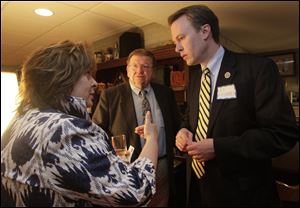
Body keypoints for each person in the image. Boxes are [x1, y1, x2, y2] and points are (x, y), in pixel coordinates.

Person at [1, 40, 159, 207]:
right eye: (87, 74)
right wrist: (152, 139)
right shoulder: (65, 130)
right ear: (63, 77)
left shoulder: (21, 118)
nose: (94, 83)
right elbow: (136, 191)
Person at [168, 5, 298, 207]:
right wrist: (184, 129)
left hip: (242, 195)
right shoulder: (194, 78)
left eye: (180, 38)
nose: (177, 48)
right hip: (197, 189)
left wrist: (219, 148)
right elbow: (192, 117)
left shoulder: (257, 69)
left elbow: (282, 134)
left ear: (205, 31)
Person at [92, 48, 181, 206]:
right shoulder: (110, 96)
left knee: (161, 202)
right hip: (128, 169)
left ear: (152, 70)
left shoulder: (166, 93)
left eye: (146, 66)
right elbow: (97, 132)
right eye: (135, 66)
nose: (140, 71)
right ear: (127, 69)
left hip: (162, 166)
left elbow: (176, 123)